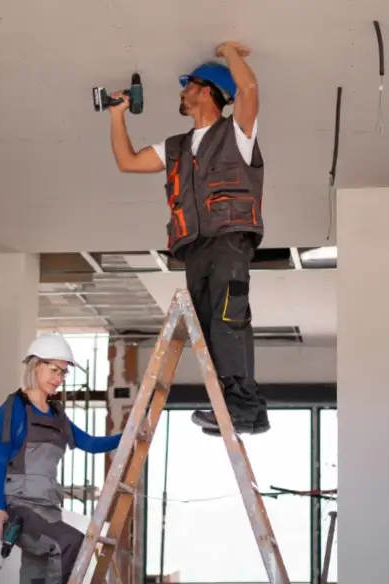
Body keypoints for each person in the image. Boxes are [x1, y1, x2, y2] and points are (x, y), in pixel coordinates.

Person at [107, 41, 269, 437]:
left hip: (230, 238)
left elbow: (248, 91)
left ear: (209, 91)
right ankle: (242, 409)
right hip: (194, 247)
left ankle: (241, 405)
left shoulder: (237, 132)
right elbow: (128, 162)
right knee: (209, 327)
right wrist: (116, 116)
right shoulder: (175, 148)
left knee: (228, 317)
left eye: (189, 85)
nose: (182, 92)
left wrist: (231, 53)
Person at [0, 332, 122, 584]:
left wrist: (129, 437)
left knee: (35, 575)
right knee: (71, 543)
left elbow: (90, 443)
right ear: (35, 366)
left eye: (63, 373)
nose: (58, 378)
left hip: (49, 510)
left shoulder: (57, 414)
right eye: (53, 370)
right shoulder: (14, 408)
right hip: (21, 507)